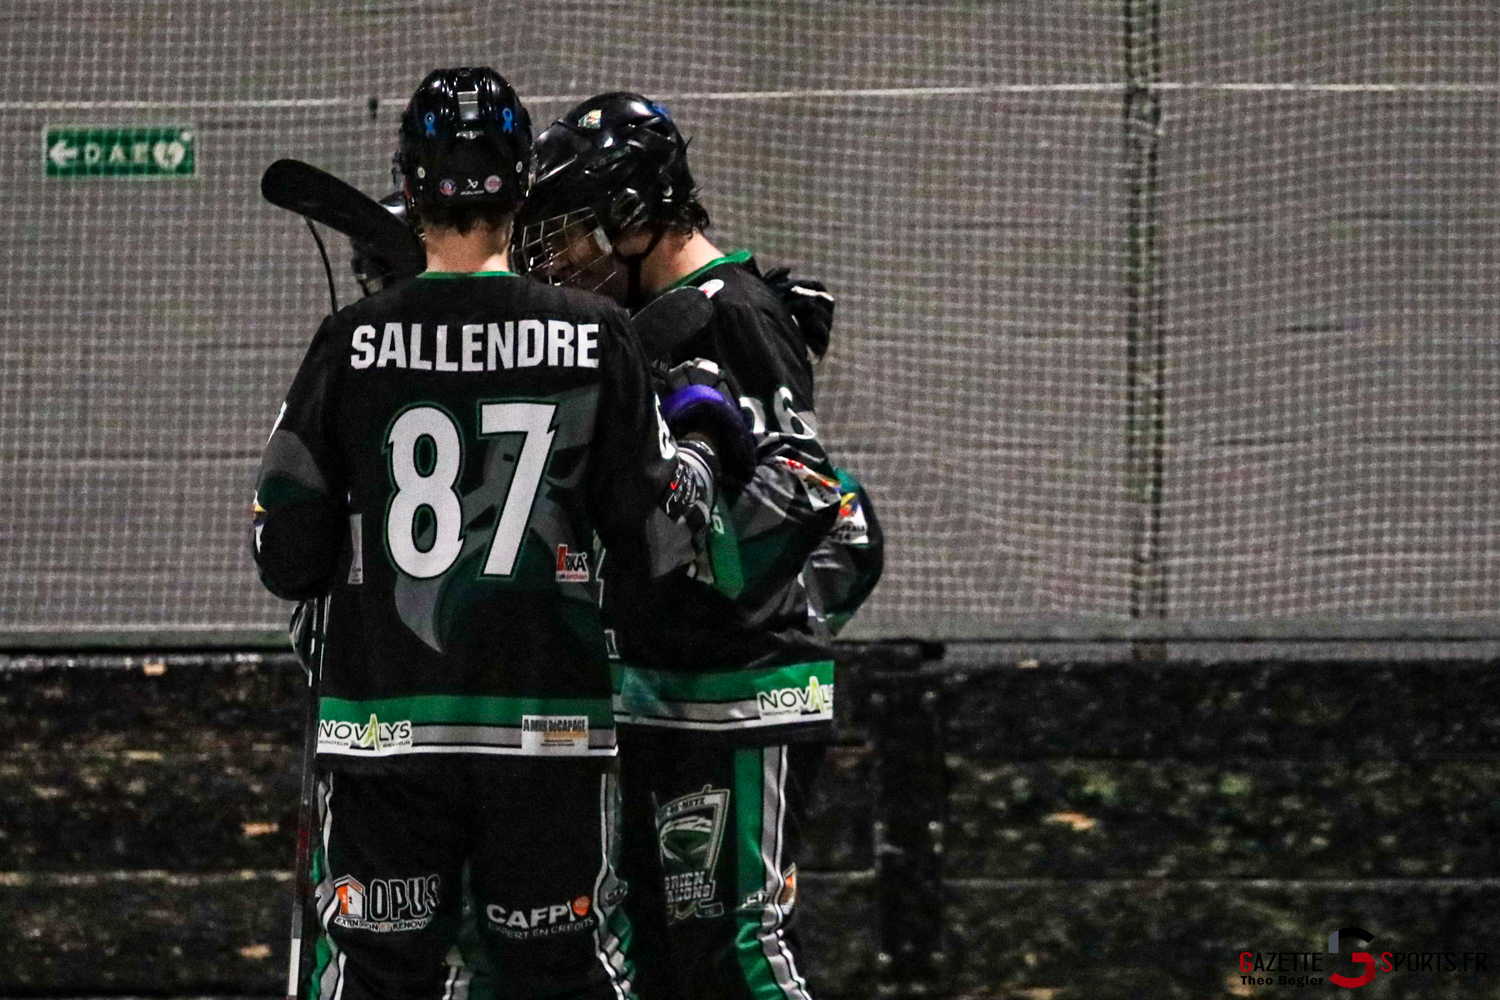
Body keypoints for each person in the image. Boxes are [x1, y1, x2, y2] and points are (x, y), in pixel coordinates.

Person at [252, 68, 750, 1000]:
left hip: (384, 734)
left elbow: (286, 551)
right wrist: (707, 435)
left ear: (410, 185)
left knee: (377, 974)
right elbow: (657, 538)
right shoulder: (597, 335)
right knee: (562, 975)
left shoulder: (350, 342)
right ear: (524, 184)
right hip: (546, 733)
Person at [506, 92, 883, 1000]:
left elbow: (802, 494)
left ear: (634, 216)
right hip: (667, 688)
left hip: (739, 690)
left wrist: (683, 515)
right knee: (668, 964)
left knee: (737, 953)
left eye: (574, 235)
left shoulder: (727, 313)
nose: (559, 261)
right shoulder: (665, 319)